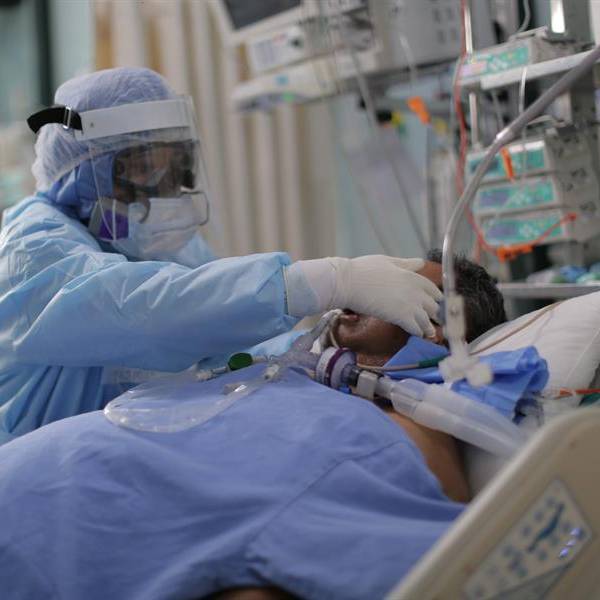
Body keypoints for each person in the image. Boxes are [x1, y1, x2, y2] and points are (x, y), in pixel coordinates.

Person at [0, 252, 507, 600]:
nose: (372, 289)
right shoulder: (274, 365)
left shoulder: (377, 436)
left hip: (38, 549)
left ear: (437, 330)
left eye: (410, 284)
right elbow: (149, 311)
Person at [0, 67, 442, 444]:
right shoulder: (30, 246)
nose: (168, 187)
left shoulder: (155, 243)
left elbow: (218, 342)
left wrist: (316, 347)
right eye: (146, 167)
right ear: (85, 170)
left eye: (177, 165)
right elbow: (139, 311)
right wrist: (324, 282)